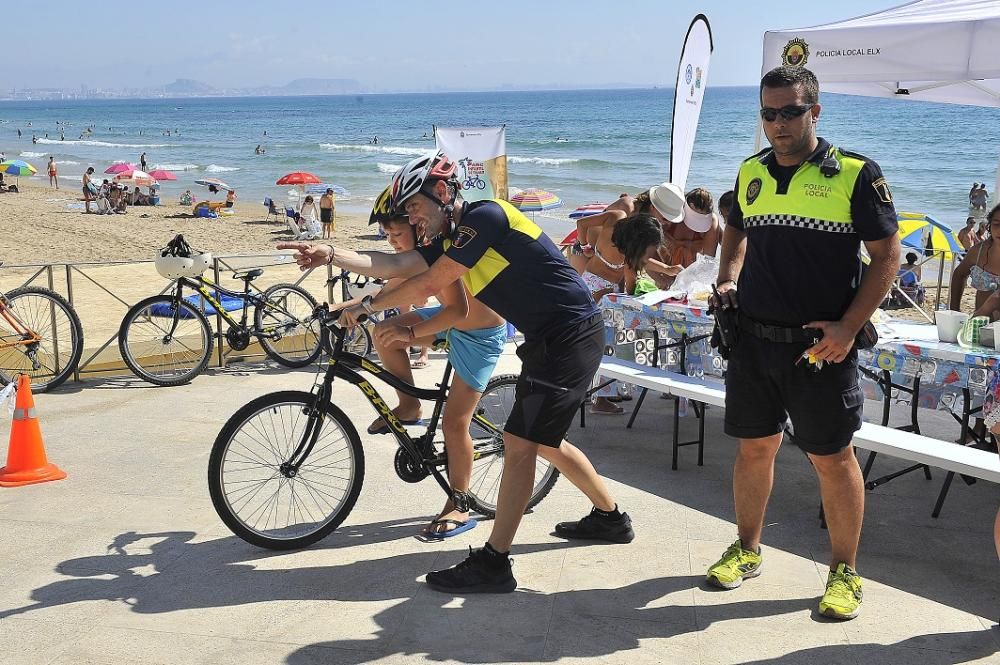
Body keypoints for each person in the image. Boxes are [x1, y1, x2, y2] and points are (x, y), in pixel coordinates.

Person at [278, 151, 634, 594]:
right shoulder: (451, 238)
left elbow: (428, 283)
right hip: (550, 340)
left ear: (443, 193)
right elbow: (390, 263)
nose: (411, 217)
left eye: (414, 207)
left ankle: (494, 562)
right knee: (543, 441)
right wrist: (330, 252)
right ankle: (610, 518)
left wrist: (365, 306)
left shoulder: (487, 218)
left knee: (519, 444)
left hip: (571, 335)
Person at [708, 66, 899, 620]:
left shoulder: (856, 174)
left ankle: (845, 571)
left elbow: (886, 256)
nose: (778, 123)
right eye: (768, 113)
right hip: (753, 342)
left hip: (821, 348)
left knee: (832, 460)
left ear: (815, 111)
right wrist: (727, 278)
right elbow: (735, 230)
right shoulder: (751, 172)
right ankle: (747, 549)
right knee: (754, 448)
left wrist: (848, 326)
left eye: (790, 111)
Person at [363, 197, 507, 537]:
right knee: (383, 334)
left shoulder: (440, 256)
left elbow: (454, 309)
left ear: (419, 228)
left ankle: (459, 503)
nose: (392, 242)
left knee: (454, 424)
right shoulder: (417, 259)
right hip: (450, 321)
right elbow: (387, 291)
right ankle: (409, 406)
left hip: (479, 335)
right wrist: (344, 308)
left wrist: (408, 330)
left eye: (397, 233)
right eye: (387, 234)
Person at [950, 205, 1000, 314]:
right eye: (997, 224)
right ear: (989, 225)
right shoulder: (978, 251)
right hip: (980, 325)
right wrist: (954, 311)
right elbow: (959, 275)